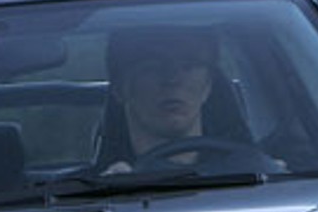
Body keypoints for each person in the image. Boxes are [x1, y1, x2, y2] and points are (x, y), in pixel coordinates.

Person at [95, 26, 250, 173]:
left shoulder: (258, 179)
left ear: (208, 85)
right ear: (119, 88)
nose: (172, 79)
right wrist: (109, 192)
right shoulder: (88, 192)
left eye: (188, 66)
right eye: (152, 67)